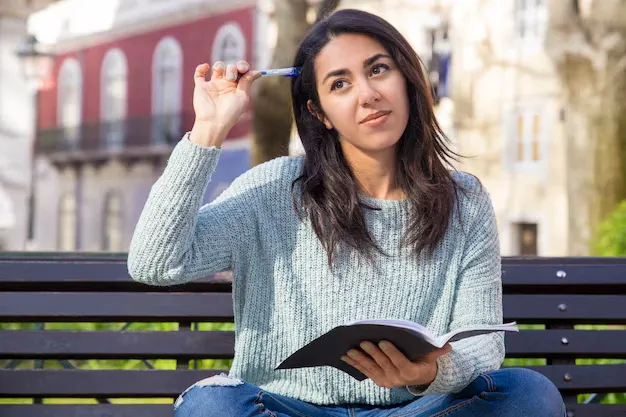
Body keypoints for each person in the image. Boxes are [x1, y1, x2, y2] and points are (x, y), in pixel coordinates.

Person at [128, 8, 566, 417]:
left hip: (415, 409)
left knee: (529, 394)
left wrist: (428, 374)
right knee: (210, 405)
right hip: (285, 407)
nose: (369, 94)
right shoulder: (274, 188)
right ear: (320, 114)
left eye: (378, 69)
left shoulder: (464, 200)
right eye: (340, 83)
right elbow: (155, 262)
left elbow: (484, 340)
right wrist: (209, 129)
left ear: (406, 79)